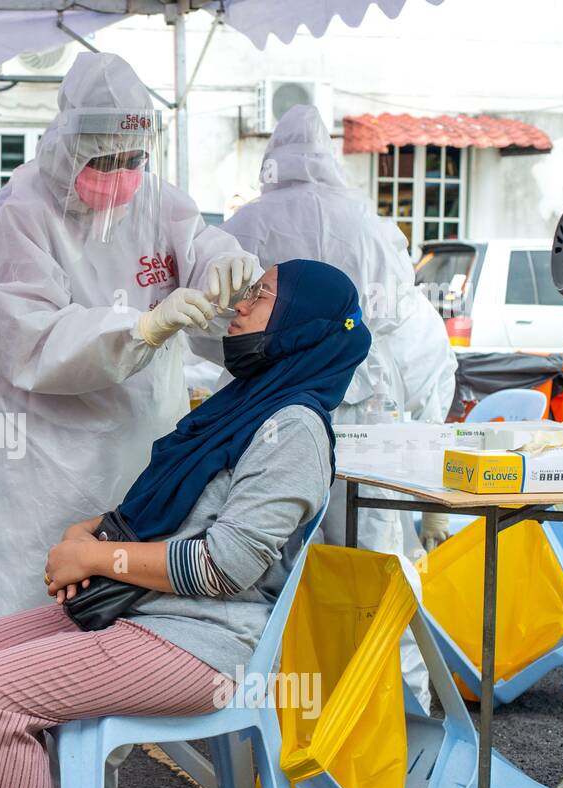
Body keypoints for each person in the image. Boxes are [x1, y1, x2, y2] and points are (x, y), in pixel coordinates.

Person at [0, 260, 370, 788]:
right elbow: (169, 507)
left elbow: (227, 567)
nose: (241, 305)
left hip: (207, 641)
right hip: (150, 613)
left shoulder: (293, 427)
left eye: (262, 295)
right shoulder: (243, 402)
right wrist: (88, 531)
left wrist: (100, 556)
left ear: (303, 324)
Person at [0, 51, 257, 788]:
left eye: (134, 158)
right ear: (66, 141)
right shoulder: (19, 215)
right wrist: (138, 328)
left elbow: (199, 245)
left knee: (107, 625)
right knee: (25, 622)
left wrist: (222, 258)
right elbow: (28, 338)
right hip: (38, 455)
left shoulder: (156, 199)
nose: (120, 176)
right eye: (105, 160)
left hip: (132, 449)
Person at [216, 104, 458, 709]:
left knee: (272, 566)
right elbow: (411, 334)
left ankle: (289, 727)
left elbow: (224, 327)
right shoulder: (372, 225)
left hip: (275, 408)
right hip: (369, 402)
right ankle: (393, 722)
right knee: (376, 563)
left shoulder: (247, 222)